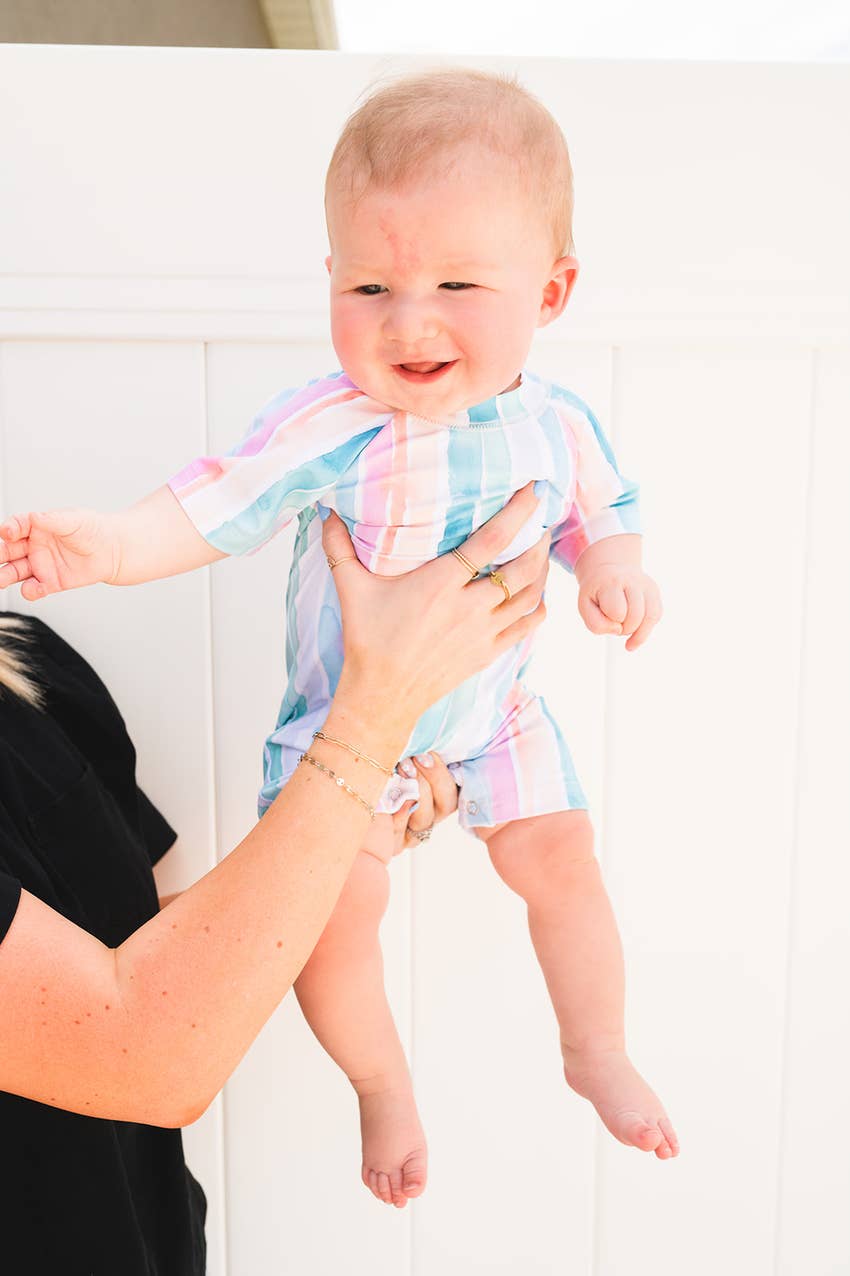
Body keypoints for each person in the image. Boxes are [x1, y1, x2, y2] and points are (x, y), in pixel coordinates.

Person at [0, 68, 677, 1213]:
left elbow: (601, 511)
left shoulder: (558, 420)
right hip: (340, 728)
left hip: (497, 717)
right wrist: (105, 548)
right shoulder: (329, 428)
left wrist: (614, 571)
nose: (408, 318)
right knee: (331, 915)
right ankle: (380, 1083)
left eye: (457, 281)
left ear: (551, 290)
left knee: (563, 861)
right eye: (370, 284)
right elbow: (213, 504)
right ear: (328, 283)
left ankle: (595, 1043)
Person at [0, 491, 547, 1272]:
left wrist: (348, 834)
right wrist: (374, 706)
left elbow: (142, 950)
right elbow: (143, 1051)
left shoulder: (30, 664)